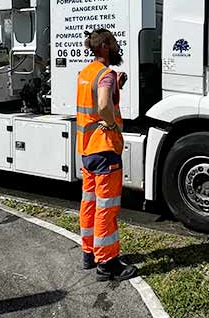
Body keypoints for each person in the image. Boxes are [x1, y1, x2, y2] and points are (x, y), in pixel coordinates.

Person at [76, 28, 137, 281]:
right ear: (103, 47)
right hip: (105, 150)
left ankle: (89, 254)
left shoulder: (86, 73)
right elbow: (102, 105)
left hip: (87, 149)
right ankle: (108, 263)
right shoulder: (106, 74)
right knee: (107, 208)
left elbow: (97, 99)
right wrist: (111, 124)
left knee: (89, 203)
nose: (116, 47)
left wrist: (116, 88)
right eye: (112, 43)